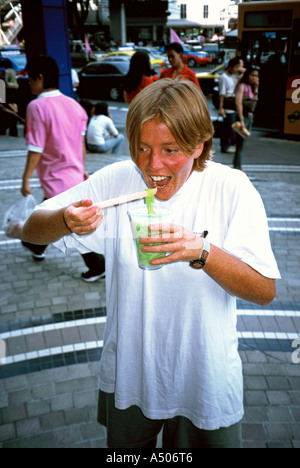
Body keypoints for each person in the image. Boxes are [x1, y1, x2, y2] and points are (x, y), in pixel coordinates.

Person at [22, 79, 280, 448]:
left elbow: (264, 290)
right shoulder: (115, 181)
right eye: (142, 148)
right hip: (130, 377)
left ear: (198, 145)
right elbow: (33, 229)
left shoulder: (232, 188)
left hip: (203, 382)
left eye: (169, 149)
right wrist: (66, 219)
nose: (152, 165)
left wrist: (201, 251)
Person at [21, 55, 105, 282]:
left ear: (39, 78)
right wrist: (82, 169)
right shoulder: (75, 106)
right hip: (74, 175)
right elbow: (81, 145)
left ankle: (97, 266)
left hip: (54, 177)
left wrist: (25, 179)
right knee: (56, 217)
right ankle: (36, 245)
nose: (29, 84)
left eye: (30, 79)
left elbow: (36, 148)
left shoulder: (36, 107)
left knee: (72, 224)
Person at [233, 66, 260, 171]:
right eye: (252, 75)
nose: (254, 78)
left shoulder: (252, 87)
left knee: (241, 143)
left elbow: (254, 104)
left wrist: (256, 88)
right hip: (243, 117)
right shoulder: (242, 86)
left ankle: (237, 165)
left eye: (257, 76)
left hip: (249, 117)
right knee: (240, 144)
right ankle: (238, 167)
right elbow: (238, 102)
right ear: (247, 75)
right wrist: (241, 119)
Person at [218, 57, 242, 154]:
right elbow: (222, 94)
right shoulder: (224, 77)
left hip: (233, 103)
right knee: (227, 127)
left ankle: (231, 144)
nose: (237, 70)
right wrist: (221, 107)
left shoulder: (234, 76)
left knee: (233, 126)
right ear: (231, 67)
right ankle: (226, 145)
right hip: (227, 104)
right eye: (236, 67)